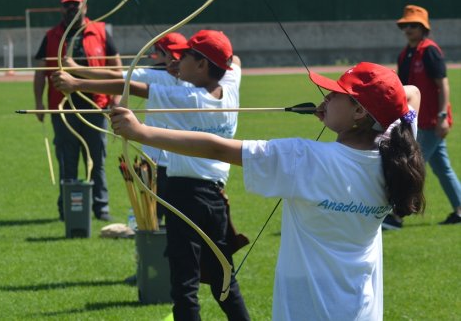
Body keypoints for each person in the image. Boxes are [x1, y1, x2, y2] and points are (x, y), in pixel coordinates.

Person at [110, 62, 427, 320]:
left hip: (306, 309)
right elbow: (410, 94)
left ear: (359, 113)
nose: (326, 97)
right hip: (363, 308)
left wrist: (141, 131)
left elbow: (218, 149)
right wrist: (344, 115)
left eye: (336, 95)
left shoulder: (305, 159)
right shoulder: (396, 147)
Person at [54, 30, 249, 321]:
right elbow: (234, 60)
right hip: (216, 199)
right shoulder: (230, 85)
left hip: (185, 197)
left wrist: (75, 83)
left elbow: (129, 85)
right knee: (224, 278)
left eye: (186, 56)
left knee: (184, 284)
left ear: (203, 65)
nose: (178, 60)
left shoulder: (188, 98)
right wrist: (184, 68)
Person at [60, 32, 192, 225]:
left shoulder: (161, 76)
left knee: (161, 220)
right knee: (163, 219)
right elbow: (117, 77)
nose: (173, 60)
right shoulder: (193, 81)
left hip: (164, 161)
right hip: (170, 160)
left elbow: (116, 78)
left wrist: (75, 72)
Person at [33, 0, 122, 222]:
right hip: (63, 109)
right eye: (67, 4)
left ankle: (100, 208)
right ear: (61, 8)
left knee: (97, 160)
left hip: (95, 106)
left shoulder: (101, 32)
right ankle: (68, 210)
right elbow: (41, 73)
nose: (72, 8)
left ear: (85, 6)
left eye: (76, 3)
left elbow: (117, 69)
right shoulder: (52, 35)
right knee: (67, 161)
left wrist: (116, 100)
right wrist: (39, 103)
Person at [389, 4, 461, 227]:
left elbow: (443, 85)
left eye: (413, 25)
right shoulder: (406, 54)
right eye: (405, 25)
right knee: (443, 168)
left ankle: (397, 215)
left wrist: (442, 116)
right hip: (415, 121)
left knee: (411, 166)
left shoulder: (430, 51)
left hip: (431, 122)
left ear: (423, 28)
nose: (408, 29)